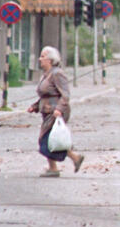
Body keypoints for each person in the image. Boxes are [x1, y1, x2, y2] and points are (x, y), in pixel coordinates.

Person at [27, 46, 84, 177]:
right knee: (51, 140)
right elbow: (44, 95)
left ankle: (59, 165)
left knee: (47, 140)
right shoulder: (46, 75)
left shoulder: (57, 73)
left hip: (55, 112)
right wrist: (35, 106)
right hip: (47, 111)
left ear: (50, 60)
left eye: (43, 56)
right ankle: (68, 161)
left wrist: (59, 109)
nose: (40, 59)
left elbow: (65, 95)